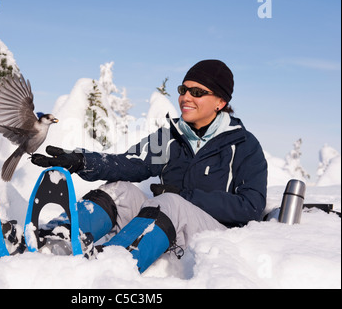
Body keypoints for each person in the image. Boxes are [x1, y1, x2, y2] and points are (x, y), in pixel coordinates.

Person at [31, 59, 268, 273]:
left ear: (220, 102)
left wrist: (186, 197)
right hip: (164, 224)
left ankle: (108, 268)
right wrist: (82, 161)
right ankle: (52, 239)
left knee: (172, 202)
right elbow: (129, 163)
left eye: (197, 92)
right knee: (120, 190)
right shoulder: (172, 137)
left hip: (213, 236)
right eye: (183, 90)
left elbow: (251, 207)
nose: (186, 97)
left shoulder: (243, 145)